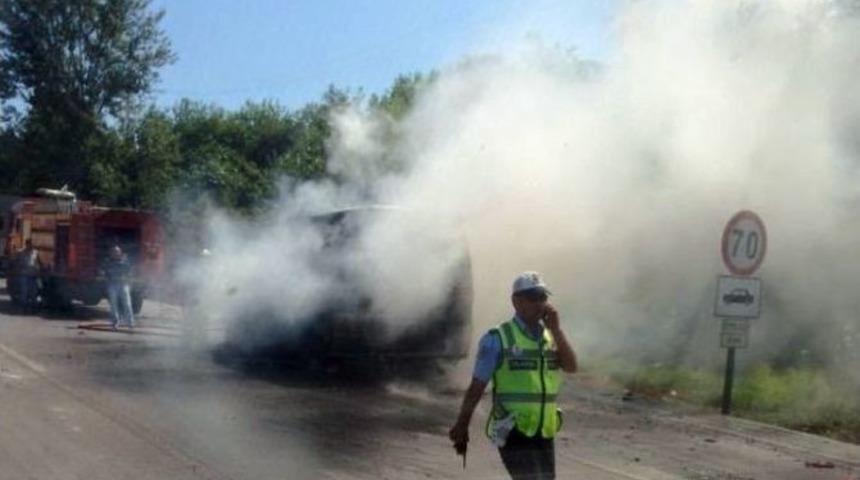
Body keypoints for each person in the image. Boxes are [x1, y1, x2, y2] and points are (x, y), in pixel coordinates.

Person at [449, 271, 578, 480]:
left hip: (543, 431)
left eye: (543, 297)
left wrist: (557, 331)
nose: (540, 304)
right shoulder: (498, 338)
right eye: (533, 297)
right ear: (516, 302)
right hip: (513, 431)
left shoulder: (550, 337)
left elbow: (571, 366)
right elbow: (477, 386)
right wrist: (462, 424)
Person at [101, 245, 134, 329]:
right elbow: (102, 271)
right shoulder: (107, 262)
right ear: (111, 253)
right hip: (112, 285)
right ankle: (115, 322)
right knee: (113, 304)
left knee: (127, 304)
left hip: (123, 285)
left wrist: (127, 279)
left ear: (120, 252)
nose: (115, 253)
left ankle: (130, 322)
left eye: (117, 251)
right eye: (114, 252)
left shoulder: (125, 261)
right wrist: (104, 275)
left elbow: (131, 271)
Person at [15, 239, 41, 311]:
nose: (29, 246)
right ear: (26, 244)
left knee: (34, 292)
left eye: (31, 244)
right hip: (24, 275)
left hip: (33, 276)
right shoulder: (20, 252)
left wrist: (39, 270)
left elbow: (39, 262)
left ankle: (33, 307)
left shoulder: (35, 253)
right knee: (24, 292)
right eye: (28, 244)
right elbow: (16, 262)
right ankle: (23, 307)